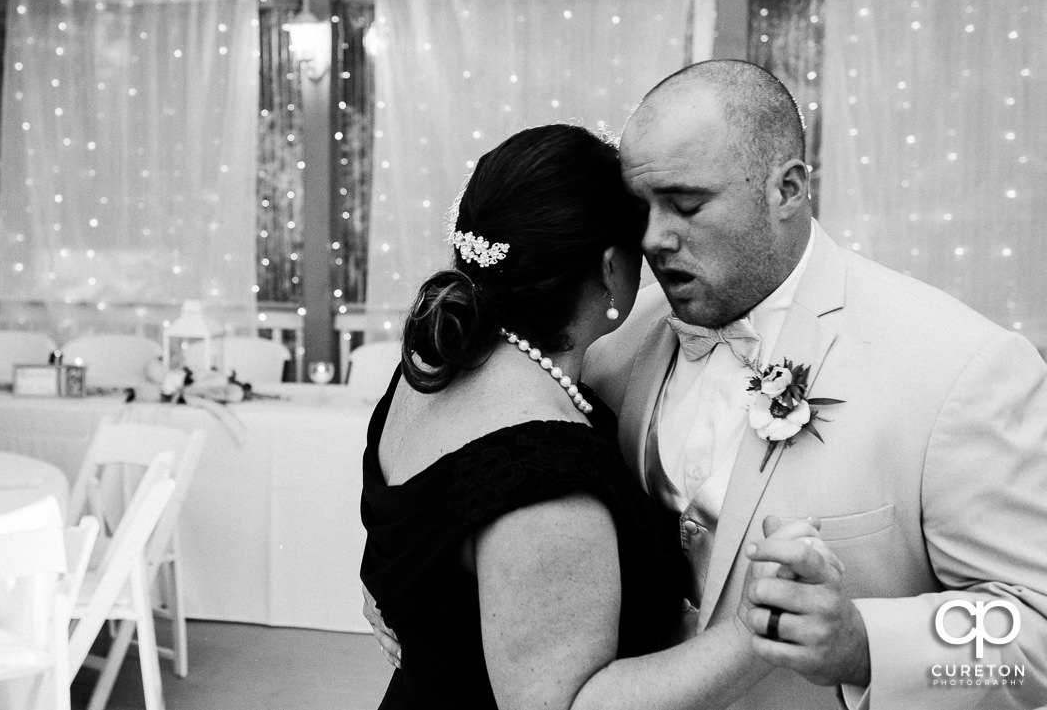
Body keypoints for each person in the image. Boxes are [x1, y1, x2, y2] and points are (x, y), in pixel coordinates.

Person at [583, 59, 1047, 709]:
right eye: (642, 207)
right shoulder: (613, 343)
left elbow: (1037, 639)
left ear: (788, 188)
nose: (655, 238)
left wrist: (866, 644)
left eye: (687, 204)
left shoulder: (960, 366)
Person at [360, 123, 840, 710]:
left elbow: (410, 529)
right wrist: (750, 634)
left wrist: (398, 600)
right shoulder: (541, 470)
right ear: (612, 269)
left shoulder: (431, 358)